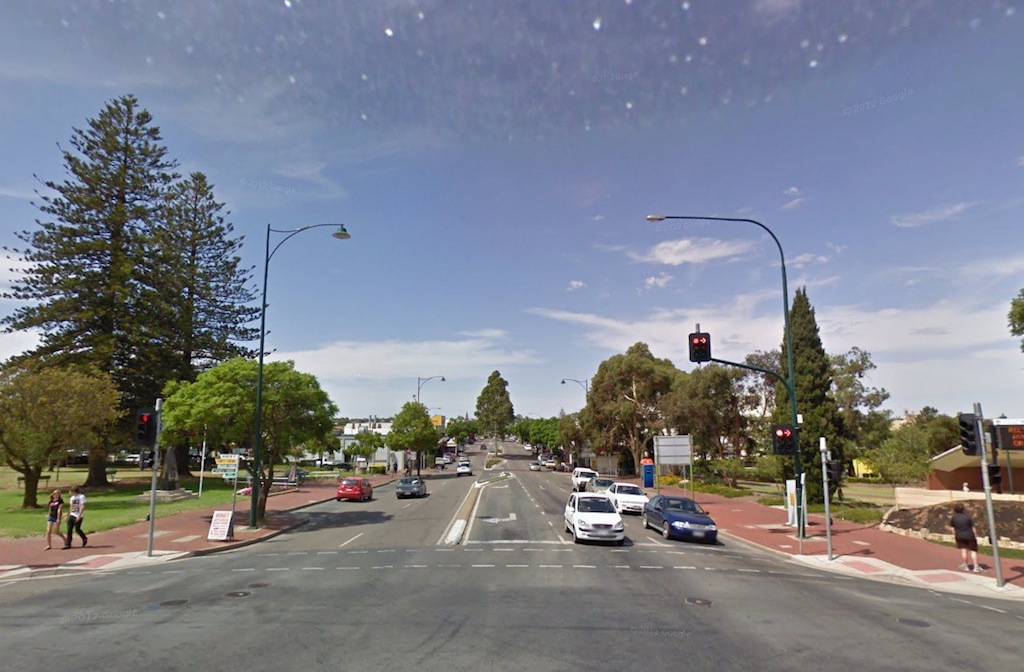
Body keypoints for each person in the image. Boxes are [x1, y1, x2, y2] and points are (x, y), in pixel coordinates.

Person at [949, 502, 982, 572]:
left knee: (964, 551)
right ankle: (976, 566)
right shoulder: (968, 517)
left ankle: (965, 565)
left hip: (959, 536)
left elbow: (952, 528)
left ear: (955, 510)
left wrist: (955, 535)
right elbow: (973, 528)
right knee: (973, 551)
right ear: (963, 509)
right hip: (970, 535)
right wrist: (976, 535)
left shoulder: (954, 518)